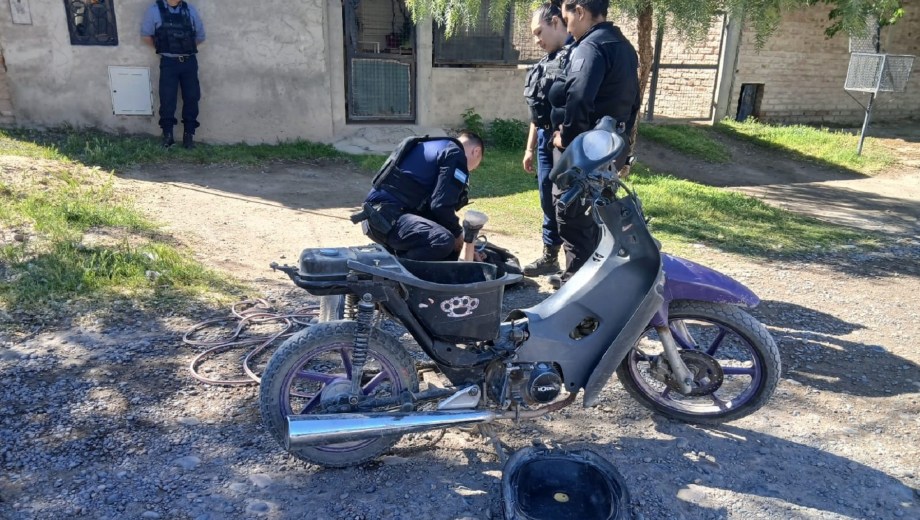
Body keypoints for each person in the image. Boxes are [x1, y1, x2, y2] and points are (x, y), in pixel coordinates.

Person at [549, 0, 640, 288]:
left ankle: (576, 284)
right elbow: (634, 102)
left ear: (580, 11)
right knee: (599, 212)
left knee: (571, 213)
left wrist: (568, 139)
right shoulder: (623, 46)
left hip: (588, 149)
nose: (567, 26)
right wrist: (625, 148)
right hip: (613, 144)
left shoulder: (590, 47)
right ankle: (598, 279)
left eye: (567, 17)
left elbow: (578, 97)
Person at [360, 131, 485, 261]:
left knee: (446, 243)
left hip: (376, 218)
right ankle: (399, 267)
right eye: (477, 164)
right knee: (442, 240)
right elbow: (441, 206)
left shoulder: (432, 144)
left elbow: (432, 205)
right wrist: (459, 235)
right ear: (476, 151)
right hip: (389, 221)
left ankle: (398, 256)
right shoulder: (455, 154)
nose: (473, 169)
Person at [521, 1, 572, 278]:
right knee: (545, 197)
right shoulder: (546, 62)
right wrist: (530, 148)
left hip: (564, 141)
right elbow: (537, 110)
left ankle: (572, 266)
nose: (537, 39)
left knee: (565, 201)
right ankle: (550, 256)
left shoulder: (577, 56)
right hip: (543, 137)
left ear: (555, 22)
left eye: (539, 32)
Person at [141, 0, 206, 149]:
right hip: (169, 62)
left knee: (191, 97)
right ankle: (168, 136)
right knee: (167, 98)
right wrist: (165, 47)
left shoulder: (190, 10)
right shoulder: (154, 10)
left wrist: (184, 47)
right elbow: (146, 35)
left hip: (189, 61)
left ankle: (188, 136)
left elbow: (201, 35)